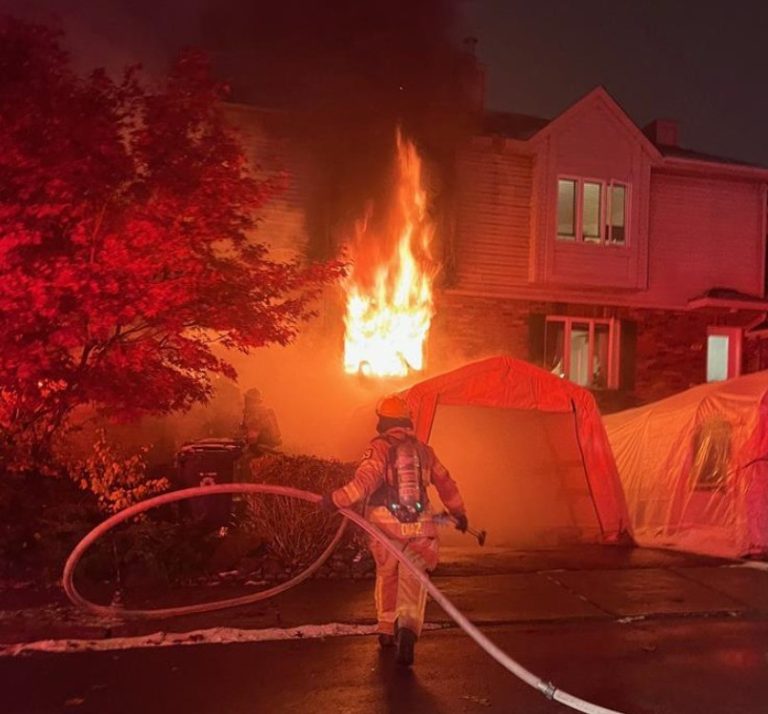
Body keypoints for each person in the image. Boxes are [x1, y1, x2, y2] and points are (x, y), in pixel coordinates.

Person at [321, 394, 468, 666]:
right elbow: (445, 482)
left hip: (384, 527)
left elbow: (364, 482)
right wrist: (459, 513)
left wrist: (335, 499)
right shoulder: (424, 450)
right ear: (407, 420)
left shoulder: (378, 448)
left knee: (387, 575)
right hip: (421, 526)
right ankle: (407, 629)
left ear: (382, 422)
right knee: (414, 579)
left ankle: (386, 630)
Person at [240, 388, 281, 454]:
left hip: (262, 447)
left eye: (247, 399)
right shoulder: (260, 412)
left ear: (252, 401)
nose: (245, 402)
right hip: (266, 445)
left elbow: (252, 438)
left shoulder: (256, 414)